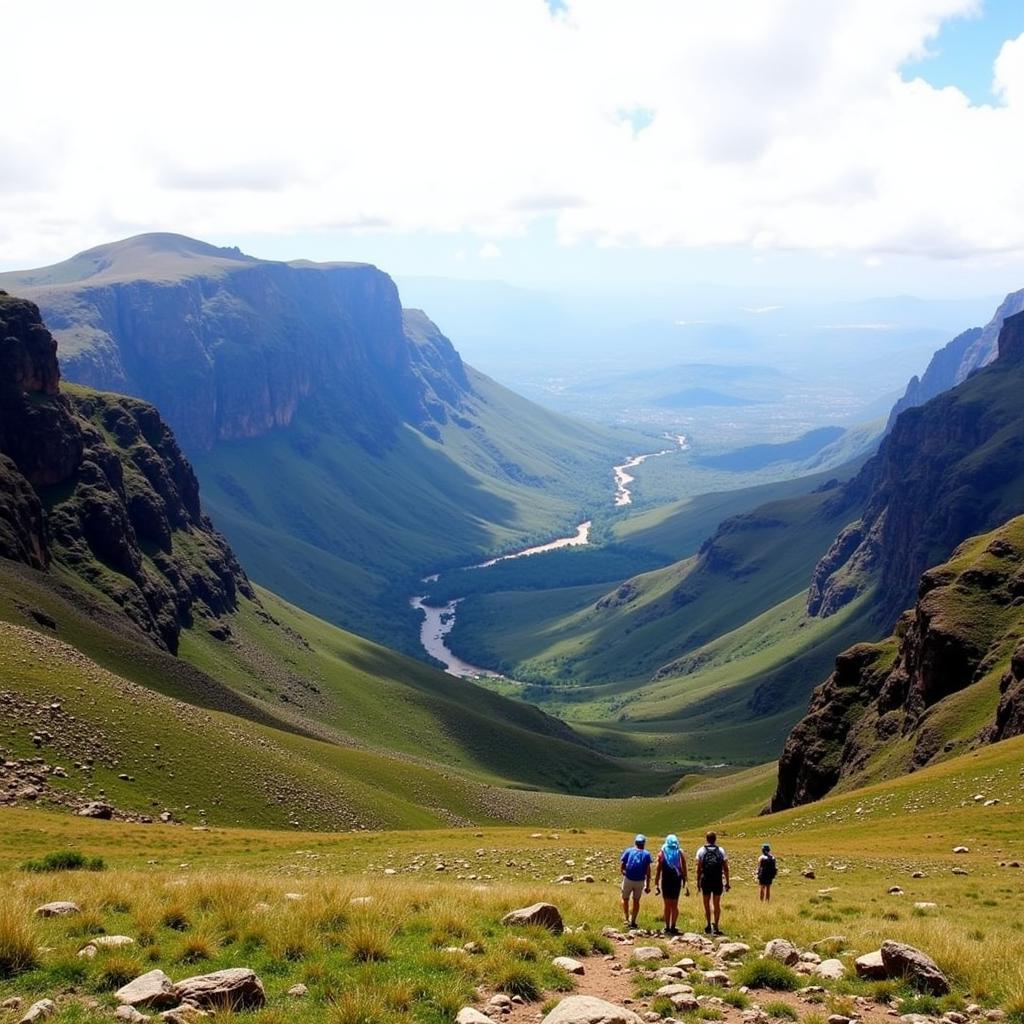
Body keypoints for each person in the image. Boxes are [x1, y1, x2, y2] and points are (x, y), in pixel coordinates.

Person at [695, 831, 730, 935]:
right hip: (717, 879)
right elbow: (726, 868)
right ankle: (716, 926)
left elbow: (698, 868)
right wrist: (727, 882)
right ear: (715, 839)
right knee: (717, 904)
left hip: (706, 879)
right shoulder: (721, 850)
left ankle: (708, 924)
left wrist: (698, 882)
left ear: (706, 839)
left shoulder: (701, 851)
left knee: (706, 903)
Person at [654, 833, 688, 934]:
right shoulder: (679, 852)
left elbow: (658, 869)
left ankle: (667, 927)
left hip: (666, 880)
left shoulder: (662, 852)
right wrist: (685, 880)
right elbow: (684, 867)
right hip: (676, 881)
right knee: (675, 904)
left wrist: (656, 882)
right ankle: (673, 926)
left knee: (667, 905)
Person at [619, 833, 652, 929]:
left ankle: (626, 918)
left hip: (628, 879)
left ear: (635, 842)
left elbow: (622, 865)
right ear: (644, 844)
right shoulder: (646, 854)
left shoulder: (629, 851)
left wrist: (624, 873)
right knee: (636, 900)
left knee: (625, 898)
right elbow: (648, 871)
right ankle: (633, 921)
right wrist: (648, 885)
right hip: (640, 881)